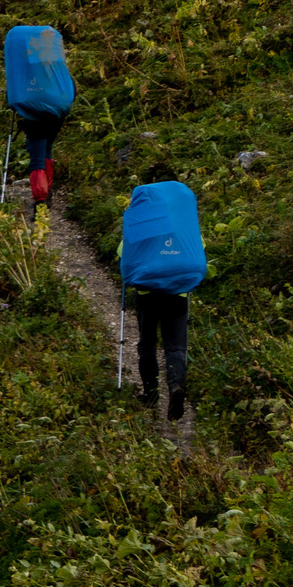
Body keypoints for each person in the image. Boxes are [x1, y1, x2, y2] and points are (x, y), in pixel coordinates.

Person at [120, 166, 206, 421]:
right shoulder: (185, 228)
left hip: (147, 292)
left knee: (147, 342)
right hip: (178, 294)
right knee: (175, 345)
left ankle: (151, 393)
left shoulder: (143, 224)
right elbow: (199, 250)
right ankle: (176, 385)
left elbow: (122, 253)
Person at [2, 25, 75, 205]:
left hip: (34, 116)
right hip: (57, 113)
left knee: (37, 158)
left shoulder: (27, 72)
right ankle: (47, 193)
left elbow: (13, 94)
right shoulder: (52, 69)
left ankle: (40, 201)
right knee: (47, 150)